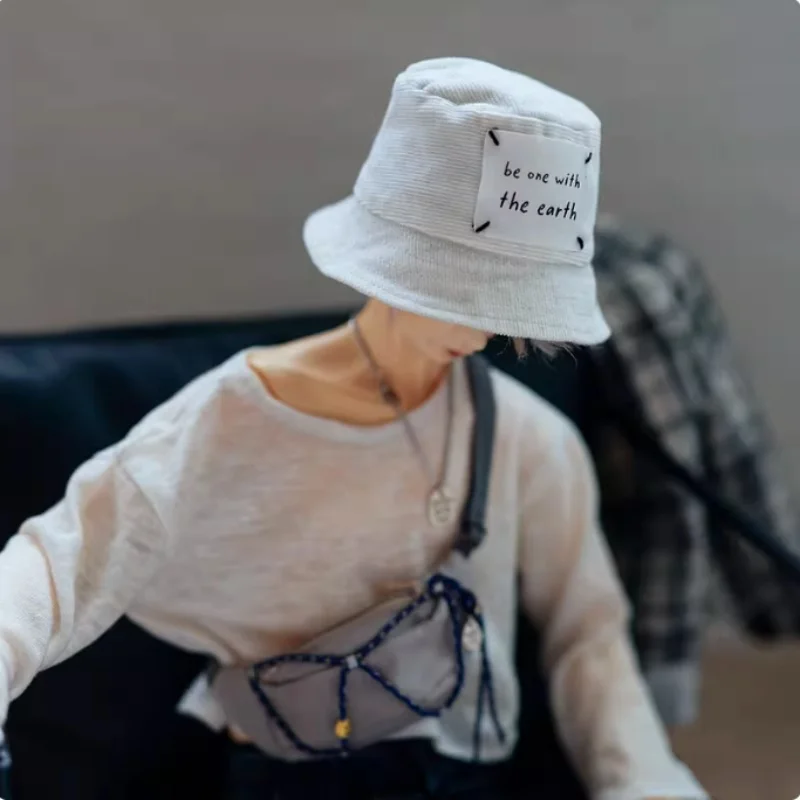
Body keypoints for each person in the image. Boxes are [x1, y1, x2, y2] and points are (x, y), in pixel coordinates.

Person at [0, 58, 707, 800]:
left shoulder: (527, 439)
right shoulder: (232, 419)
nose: (483, 332)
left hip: (462, 775)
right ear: (398, 261)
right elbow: (56, 562)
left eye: (511, 305)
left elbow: (589, 634)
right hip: (286, 770)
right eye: (462, 294)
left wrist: (647, 783)